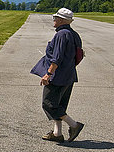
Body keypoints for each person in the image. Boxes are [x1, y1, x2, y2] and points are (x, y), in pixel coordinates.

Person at [30, 8, 84, 143]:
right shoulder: (74, 34)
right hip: (68, 75)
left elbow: (57, 57)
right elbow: (79, 55)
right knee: (60, 105)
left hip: (58, 76)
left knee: (49, 104)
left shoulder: (62, 35)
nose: (54, 19)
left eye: (56, 17)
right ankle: (57, 133)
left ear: (62, 20)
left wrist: (48, 74)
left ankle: (74, 125)